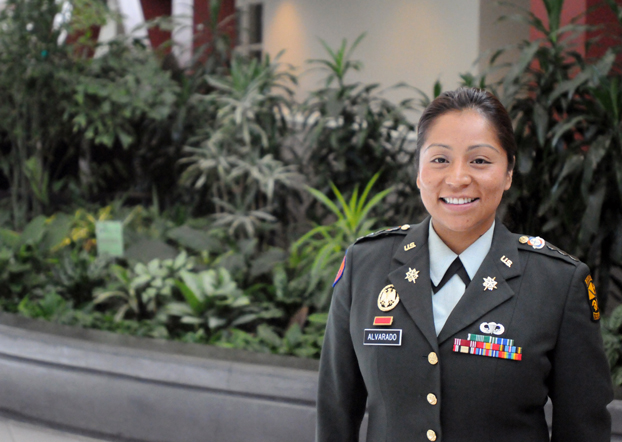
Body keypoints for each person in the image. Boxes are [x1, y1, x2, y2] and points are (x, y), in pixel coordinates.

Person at [316, 87, 613, 442]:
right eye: (440, 159)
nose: (457, 178)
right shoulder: (366, 265)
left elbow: (583, 430)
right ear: (418, 171)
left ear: (508, 172)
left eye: (480, 161)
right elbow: (335, 414)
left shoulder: (558, 283)